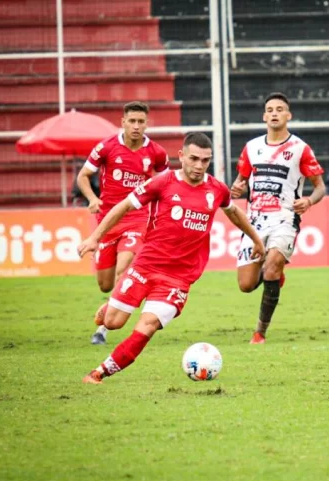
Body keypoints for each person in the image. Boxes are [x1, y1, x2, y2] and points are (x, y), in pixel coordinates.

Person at [77, 132, 265, 384]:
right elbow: (123, 206)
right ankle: (110, 307)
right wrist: (94, 238)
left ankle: (99, 373)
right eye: (194, 159)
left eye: (205, 161)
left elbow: (233, 212)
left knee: (148, 325)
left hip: (178, 279)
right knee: (112, 323)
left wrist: (256, 239)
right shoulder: (162, 182)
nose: (199, 166)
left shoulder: (217, 189)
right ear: (181, 156)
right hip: (145, 266)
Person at [230, 92, 326, 344]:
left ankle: (260, 332)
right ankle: (274, 273)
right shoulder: (252, 147)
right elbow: (240, 180)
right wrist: (238, 187)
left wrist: (308, 201)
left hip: (285, 219)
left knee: (271, 266)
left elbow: (320, 187)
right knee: (246, 285)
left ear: (288, 115)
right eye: (270, 109)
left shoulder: (300, 148)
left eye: (279, 109)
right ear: (264, 116)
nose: (274, 113)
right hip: (254, 222)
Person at [77, 101, 169, 345]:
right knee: (105, 284)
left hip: (137, 218)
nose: (136, 126)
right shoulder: (106, 147)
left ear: (147, 124)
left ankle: (104, 330)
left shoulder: (156, 153)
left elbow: (165, 183)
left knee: (124, 267)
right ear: (123, 122)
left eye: (141, 122)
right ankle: (111, 304)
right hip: (107, 220)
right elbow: (83, 176)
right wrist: (92, 198)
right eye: (132, 121)